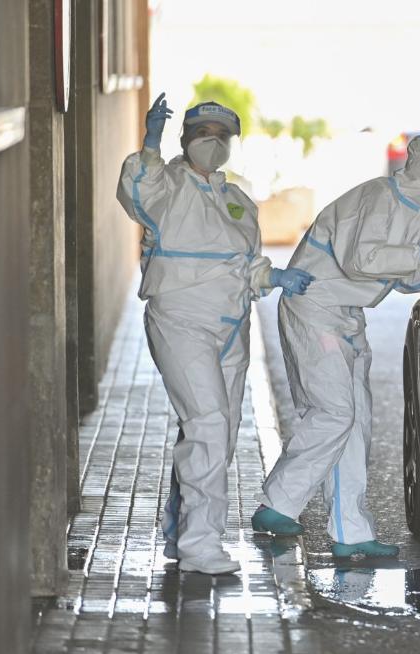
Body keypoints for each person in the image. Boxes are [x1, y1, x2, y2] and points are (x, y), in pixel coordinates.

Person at [116, 93, 313, 574]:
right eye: (204, 134)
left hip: (232, 327)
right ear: (185, 139)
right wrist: (149, 146)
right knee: (206, 426)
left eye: (222, 137)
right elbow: (137, 192)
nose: (214, 143)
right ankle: (200, 547)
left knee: (219, 438)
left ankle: (178, 525)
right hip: (180, 319)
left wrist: (272, 277)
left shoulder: (238, 201)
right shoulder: (166, 186)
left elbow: (247, 265)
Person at [251, 135, 420, 558]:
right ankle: (277, 503)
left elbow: (403, 277)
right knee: (335, 413)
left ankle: (350, 532)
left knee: (356, 426)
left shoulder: (412, 214)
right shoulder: (379, 198)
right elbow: (364, 260)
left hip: (346, 315)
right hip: (315, 308)